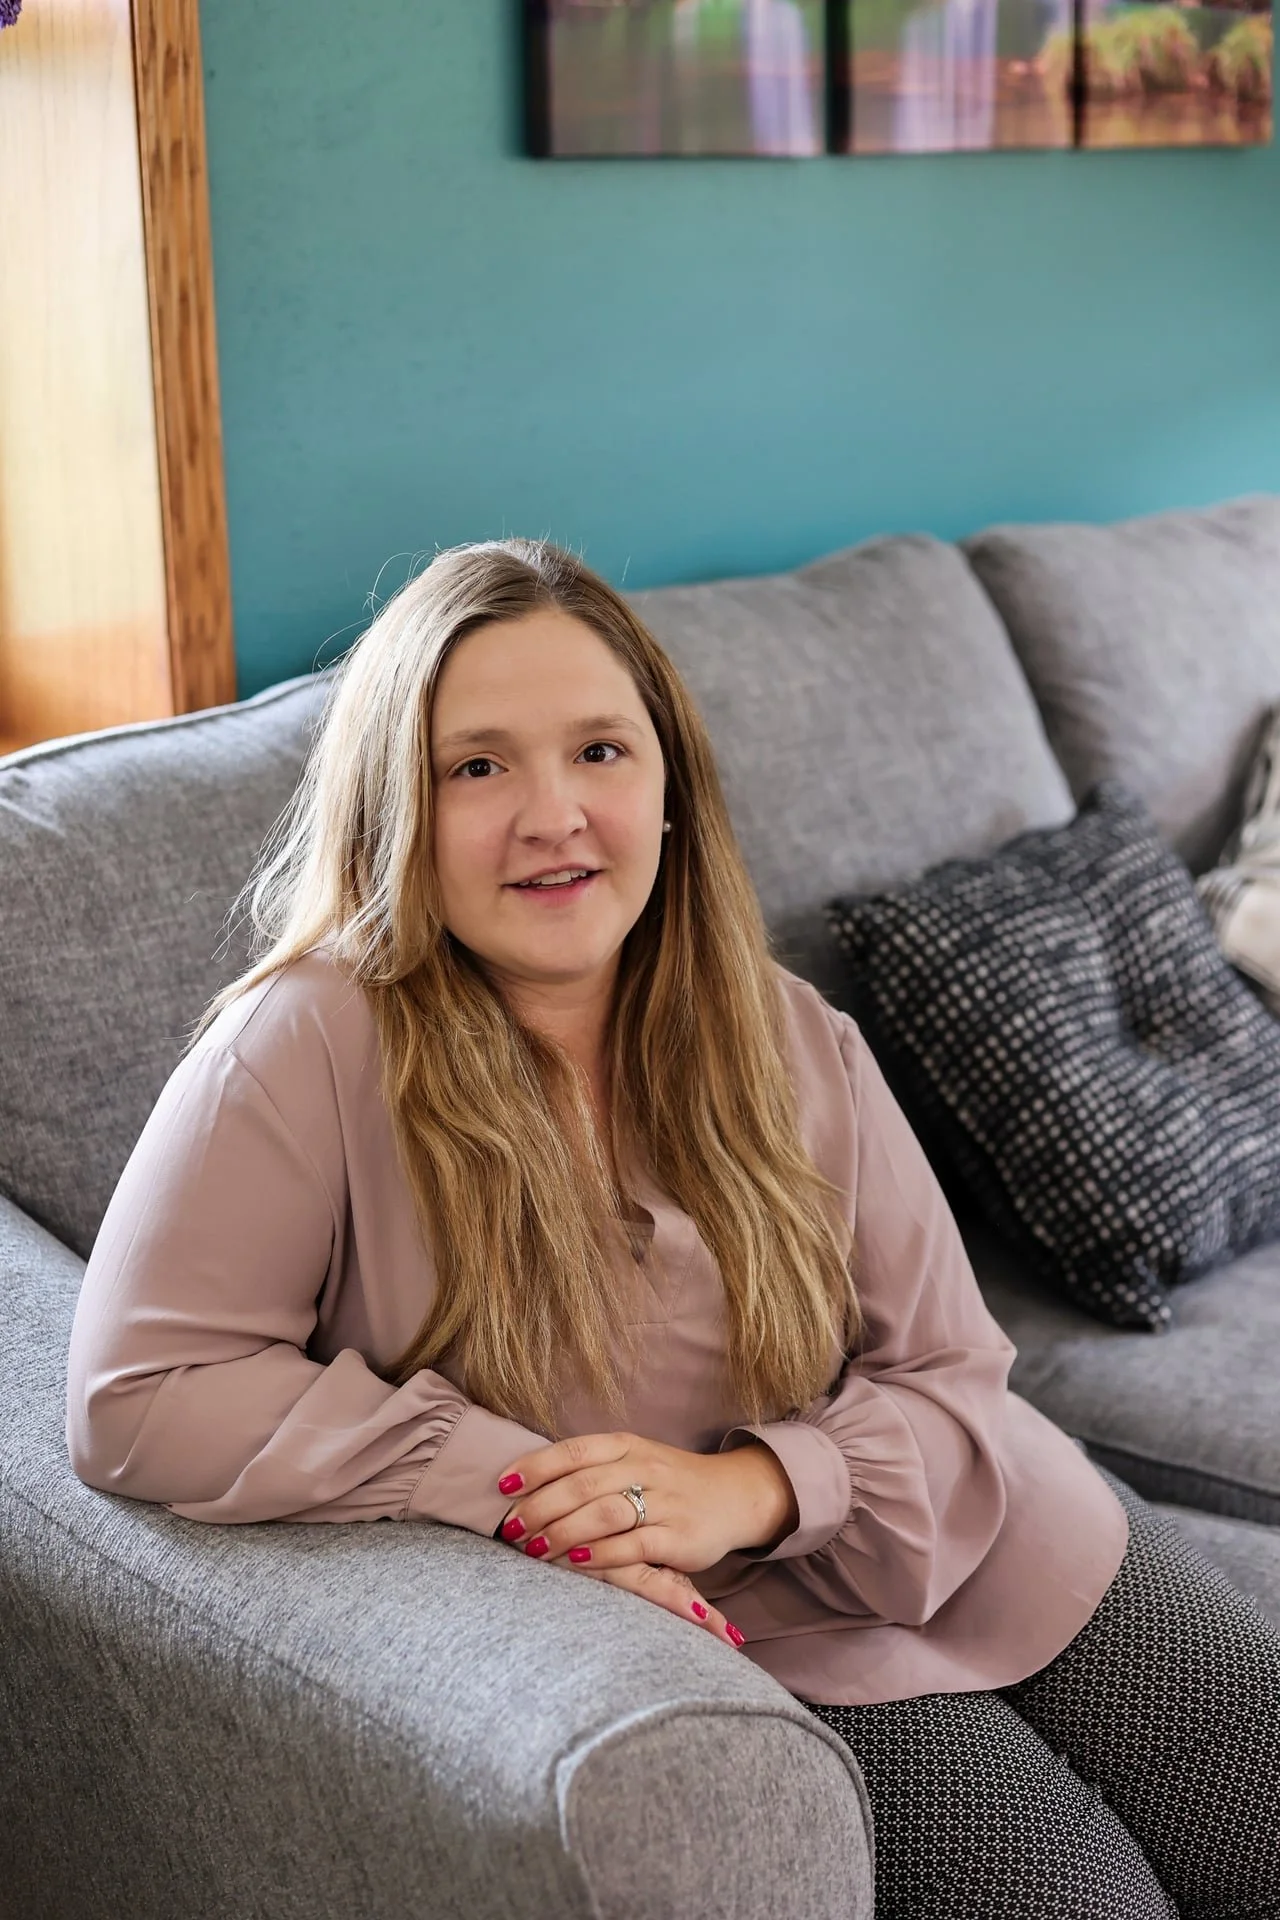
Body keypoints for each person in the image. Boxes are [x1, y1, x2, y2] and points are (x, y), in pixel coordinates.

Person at [66, 538, 1280, 1919]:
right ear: (392, 803)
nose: (552, 815)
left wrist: (755, 1485)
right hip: (740, 1632)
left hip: (963, 1512)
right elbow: (140, 1394)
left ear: (668, 786)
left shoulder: (780, 1027)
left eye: (600, 750)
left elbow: (953, 1378)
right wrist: (521, 1484)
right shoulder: (307, 1044)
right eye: (478, 766)